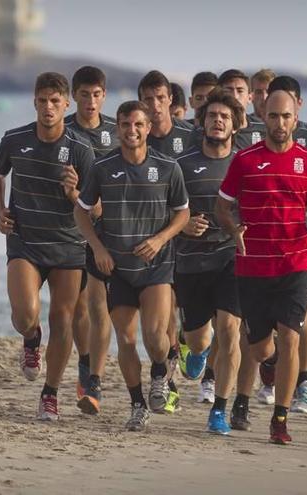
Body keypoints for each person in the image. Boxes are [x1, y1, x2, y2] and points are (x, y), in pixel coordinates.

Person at [216, 90, 307, 445]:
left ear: (296, 118)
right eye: (274, 116)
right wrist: (234, 230)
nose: (280, 123)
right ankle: (272, 362)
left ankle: (280, 419)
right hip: (252, 267)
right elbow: (222, 206)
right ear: (264, 116)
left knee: (292, 339)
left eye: (287, 116)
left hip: (296, 263)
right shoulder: (245, 160)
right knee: (261, 348)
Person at [74, 100, 190, 431]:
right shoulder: (102, 167)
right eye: (125, 124)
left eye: (138, 124)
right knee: (125, 339)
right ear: (118, 128)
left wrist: (160, 239)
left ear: (148, 128)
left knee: (155, 337)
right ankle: (138, 404)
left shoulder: (168, 167)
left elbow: (183, 213)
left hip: (155, 266)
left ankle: (160, 373)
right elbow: (81, 211)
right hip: (119, 268)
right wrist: (98, 248)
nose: (132, 130)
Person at [0, 72, 95, 421]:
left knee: (62, 318)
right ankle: (32, 339)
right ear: (34, 102)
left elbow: (97, 206)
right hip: (25, 241)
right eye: (42, 101)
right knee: (24, 315)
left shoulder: (81, 148)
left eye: (55, 102)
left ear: (66, 105)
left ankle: (50, 393)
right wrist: (0, 210)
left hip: (68, 244)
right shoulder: (15, 139)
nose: (48, 108)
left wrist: (75, 193)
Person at [174, 89, 244, 434]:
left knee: (230, 330)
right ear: (201, 122)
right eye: (213, 116)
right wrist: (183, 226)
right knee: (201, 339)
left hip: (231, 256)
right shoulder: (182, 165)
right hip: (190, 261)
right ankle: (193, 347)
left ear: (235, 125)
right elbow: (165, 212)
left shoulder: (244, 163)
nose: (218, 121)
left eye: (225, 117)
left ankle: (219, 409)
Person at [139, 70, 196, 412]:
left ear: (171, 100)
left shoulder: (191, 136)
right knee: (164, 317)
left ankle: (187, 345)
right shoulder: (135, 138)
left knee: (190, 317)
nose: (155, 106)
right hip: (157, 242)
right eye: (148, 99)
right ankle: (167, 379)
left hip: (192, 238)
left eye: (161, 99)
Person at [63, 66, 120, 410]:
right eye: (84, 94)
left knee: (100, 307)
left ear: (104, 95)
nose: (90, 101)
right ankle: (85, 360)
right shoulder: (63, 130)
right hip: (69, 229)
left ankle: (93, 379)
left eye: (97, 94)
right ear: (74, 96)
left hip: (107, 229)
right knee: (77, 307)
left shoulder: (116, 130)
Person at [218, 69, 266, 150]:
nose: (235, 96)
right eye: (229, 90)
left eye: (240, 91)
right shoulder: (209, 131)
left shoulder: (265, 129)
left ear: (250, 98)